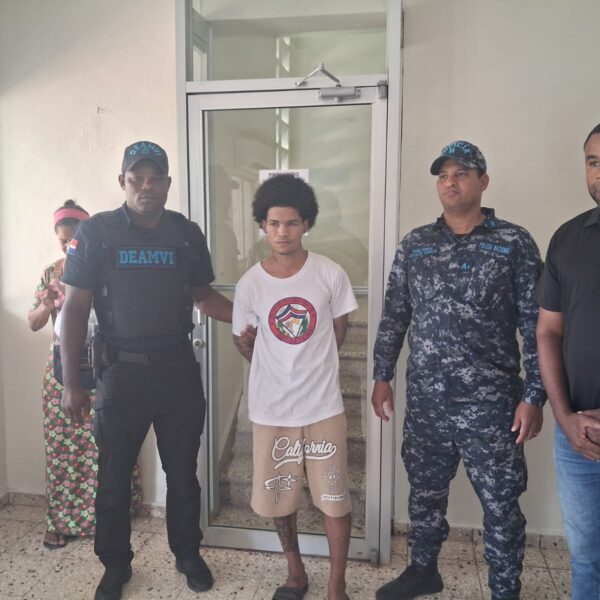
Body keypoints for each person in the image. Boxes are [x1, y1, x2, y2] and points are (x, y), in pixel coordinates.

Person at [371, 141, 546, 600]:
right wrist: (382, 375)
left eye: (461, 174)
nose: (450, 182)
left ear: (483, 182)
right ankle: (423, 571)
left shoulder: (513, 243)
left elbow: (537, 325)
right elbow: (395, 315)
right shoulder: (416, 245)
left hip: (491, 404)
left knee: (501, 503)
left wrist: (534, 395)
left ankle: (504, 590)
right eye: (443, 175)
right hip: (427, 400)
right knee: (424, 493)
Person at [59, 141, 233, 600]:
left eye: (155, 178)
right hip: (120, 374)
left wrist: (252, 320)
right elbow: (74, 309)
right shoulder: (96, 233)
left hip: (177, 370)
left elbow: (204, 296)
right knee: (113, 476)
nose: (146, 187)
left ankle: (187, 554)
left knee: (183, 473)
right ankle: (115, 565)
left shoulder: (185, 234)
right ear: (123, 182)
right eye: (137, 178)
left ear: (168, 184)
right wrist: (72, 382)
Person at [232, 174, 357, 600]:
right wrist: (261, 352)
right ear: (262, 226)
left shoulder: (330, 274)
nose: (282, 232)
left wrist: (309, 365)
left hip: (323, 408)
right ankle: (295, 573)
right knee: (278, 499)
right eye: (273, 223)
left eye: (291, 223)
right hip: (272, 411)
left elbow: (338, 332)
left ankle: (337, 585)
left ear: (306, 224)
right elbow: (246, 343)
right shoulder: (250, 284)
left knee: (335, 498)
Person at [28, 200, 142, 550]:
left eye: (75, 238)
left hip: (104, 368)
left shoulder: (107, 268)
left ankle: (105, 518)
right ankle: (60, 521)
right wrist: (47, 304)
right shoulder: (51, 273)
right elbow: (33, 323)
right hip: (62, 374)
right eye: (63, 241)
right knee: (61, 453)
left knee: (106, 447)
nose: (69, 246)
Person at [536, 123, 600, 600]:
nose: (599, 173)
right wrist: (564, 417)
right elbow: (548, 332)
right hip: (578, 438)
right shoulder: (568, 238)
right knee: (586, 558)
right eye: (593, 162)